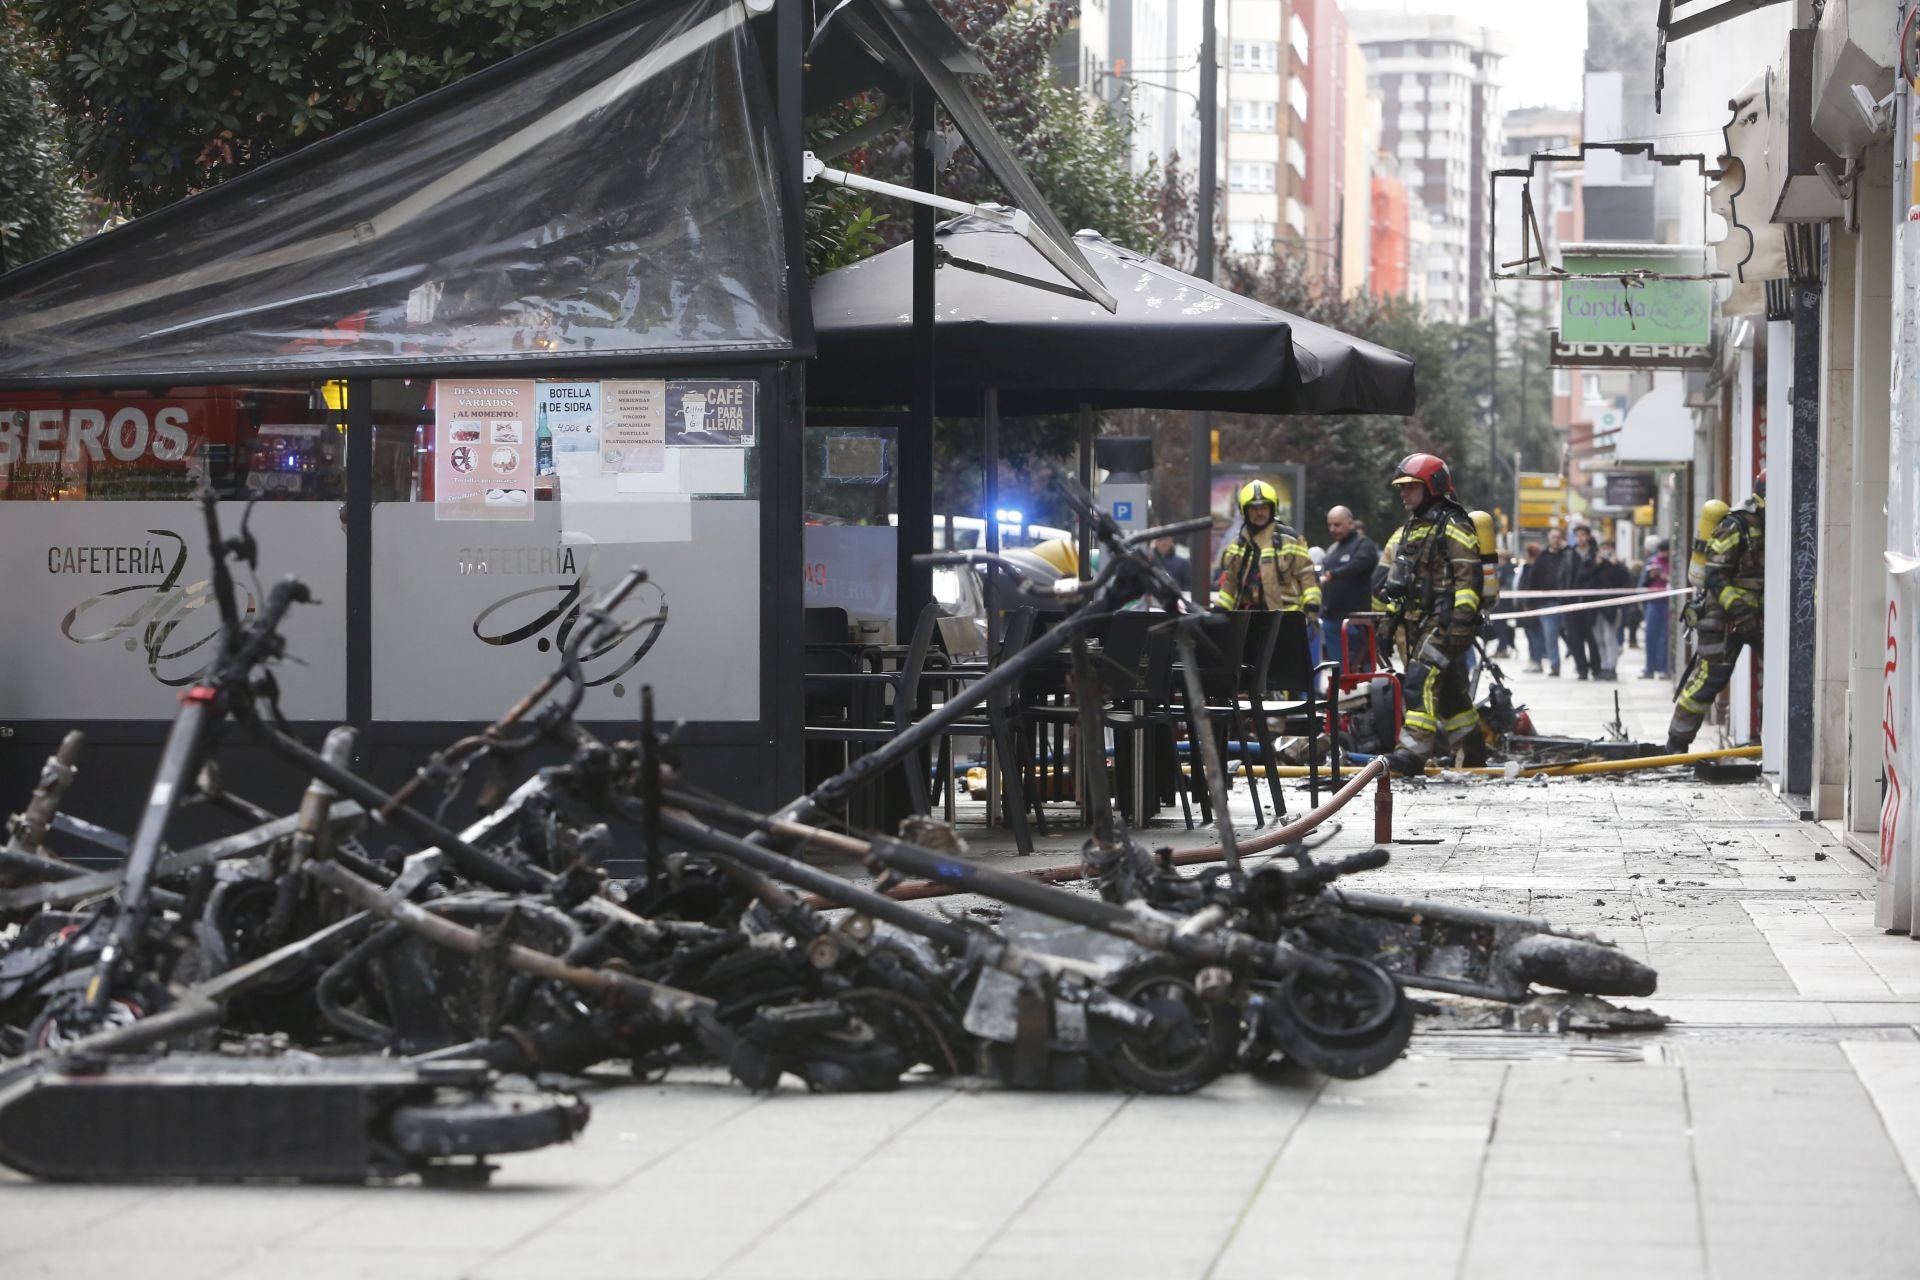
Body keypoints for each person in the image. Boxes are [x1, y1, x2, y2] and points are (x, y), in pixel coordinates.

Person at [1375, 452, 1484, 777]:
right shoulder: (1411, 529)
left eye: (1411, 486)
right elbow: (1399, 585)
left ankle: (1411, 753)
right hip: (1417, 624)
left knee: (1419, 681)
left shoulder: (1454, 523)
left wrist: (1462, 623)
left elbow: (1468, 579)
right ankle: (1472, 745)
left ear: (1433, 486)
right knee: (1447, 690)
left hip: (1445, 623)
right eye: (1402, 488)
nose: (1404, 493)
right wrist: (1386, 626)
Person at [1668, 477, 1766, 752]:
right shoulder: (1735, 525)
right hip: (1722, 616)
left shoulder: (1775, 523)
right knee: (1708, 680)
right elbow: (1715, 576)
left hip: (1758, 617)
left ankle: (1770, 745)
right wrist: (1739, 612)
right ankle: (1675, 745)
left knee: (1782, 675)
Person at [1215, 480, 1321, 623]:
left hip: (1285, 621)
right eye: (1254, 508)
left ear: (1273, 508)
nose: (1259, 512)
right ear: (1244, 511)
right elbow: (1230, 584)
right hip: (1246, 620)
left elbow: (1307, 575)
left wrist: (1311, 608)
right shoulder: (1237, 544)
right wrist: (1220, 610)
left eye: (1264, 507)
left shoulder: (1290, 539)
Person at [1317, 504, 1379, 672]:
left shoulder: (1363, 545)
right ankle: (1339, 694)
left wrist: (1333, 575)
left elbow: (1359, 565)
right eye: (1329, 525)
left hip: (1355, 620)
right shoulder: (1332, 550)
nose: (1332, 529)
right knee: (1338, 670)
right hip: (1332, 619)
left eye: (1337, 524)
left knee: (1360, 667)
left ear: (1350, 523)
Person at [1561, 522, 1602, 680]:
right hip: (1572, 602)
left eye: (1583, 535)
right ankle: (1581, 669)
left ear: (1588, 536)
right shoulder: (1569, 554)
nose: (1580, 538)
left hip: (1591, 602)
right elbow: (1564, 577)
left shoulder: (1595, 554)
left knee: (1591, 638)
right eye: (1577, 535)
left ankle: (1596, 668)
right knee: (1575, 638)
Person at [1532, 526, 1572, 677]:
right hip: (1548, 602)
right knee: (1550, 636)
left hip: (1566, 602)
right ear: (1549, 539)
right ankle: (1555, 665)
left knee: (1573, 634)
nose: (1556, 540)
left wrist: (1568, 549)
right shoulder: (1542, 557)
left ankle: (1579, 661)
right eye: (1553, 537)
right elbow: (1534, 578)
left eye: (1558, 537)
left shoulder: (1567, 555)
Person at [1591, 542, 1632, 681]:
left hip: (1612, 608)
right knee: (1599, 639)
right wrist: (1596, 565)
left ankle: (1611, 667)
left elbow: (1625, 582)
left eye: (1608, 550)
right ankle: (1604, 666)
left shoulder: (1618, 567)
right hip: (1596, 608)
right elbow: (1586, 580)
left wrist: (1616, 565)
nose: (1605, 553)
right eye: (1603, 550)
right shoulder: (1595, 566)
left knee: (1610, 638)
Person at [1640, 537, 1672, 679]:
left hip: (1667, 603)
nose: (1662, 555)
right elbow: (1643, 582)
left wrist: (1663, 576)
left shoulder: (1673, 563)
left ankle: (1663, 668)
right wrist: (1650, 575)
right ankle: (1649, 668)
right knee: (1650, 636)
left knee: (1665, 637)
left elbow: (1676, 580)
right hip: (1653, 602)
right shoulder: (1653, 561)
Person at [1516, 541, 1546, 671]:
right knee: (1530, 634)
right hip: (1525, 605)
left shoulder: (1537, 568)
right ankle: (1533, 659)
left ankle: (1537, 660)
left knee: (1535, 635)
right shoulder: (1527, 567)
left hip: (1533, 606)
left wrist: (1528, 603)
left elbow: (1531, 586)